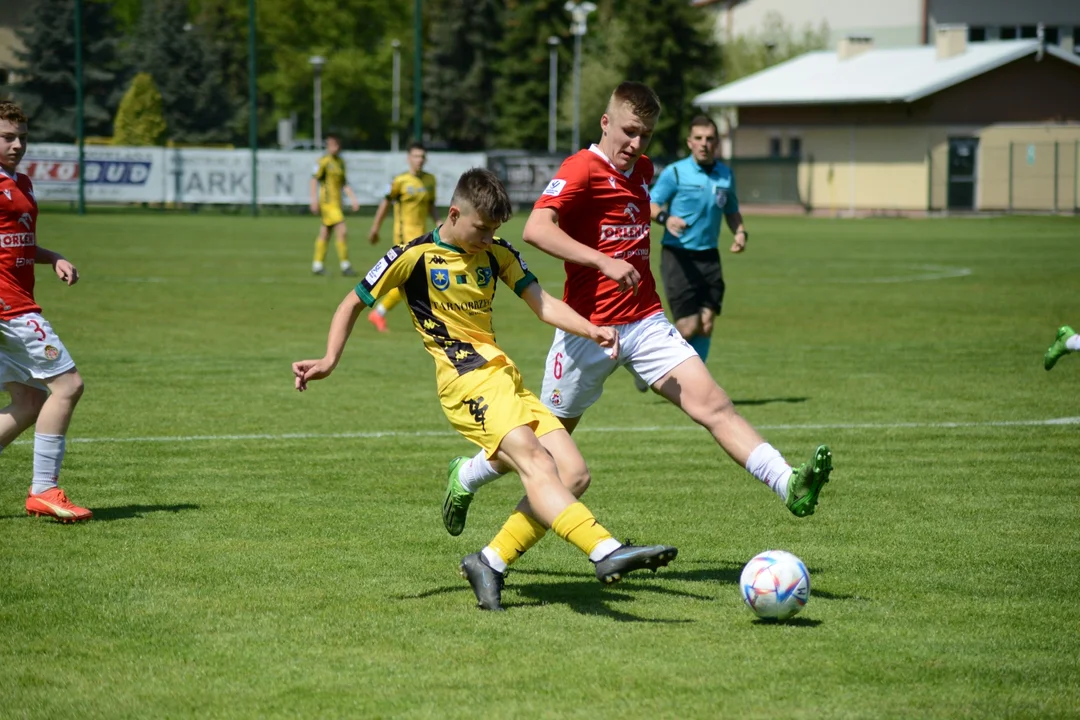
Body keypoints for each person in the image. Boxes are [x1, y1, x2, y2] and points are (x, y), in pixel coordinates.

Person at [441, 83, 832, 542]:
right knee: (543, 452)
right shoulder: (581, 168)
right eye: (629, 131)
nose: (636, 144)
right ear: (605, 122)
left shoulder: (644, 169)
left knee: (714, 405)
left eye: (645, 135)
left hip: (646, 320)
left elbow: (634, 215)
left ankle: (788, 483)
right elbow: (536, 228)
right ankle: (467, 476)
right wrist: (602, 260)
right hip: (588, 331)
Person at [293, 168, 677, 612]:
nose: (488, 237)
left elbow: (544, 303)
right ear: (455, 213)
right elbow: (353, 301)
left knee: (573, 474)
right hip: (464, 380)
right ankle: (604, 550)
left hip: (503, 376)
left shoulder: (497, 253)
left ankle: (488, 562)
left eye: (495, 230)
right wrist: (328, 360)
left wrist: (593, 330)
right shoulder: (413, 256)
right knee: (535, 461)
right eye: (482, 228)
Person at [0, 100, 90, 522]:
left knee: (30, 398)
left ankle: (44, 490)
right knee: (68, 386)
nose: (17, 145)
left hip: (15, 301)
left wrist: (52, 255)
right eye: (6, 137)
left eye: (22, 137)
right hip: (10, 306)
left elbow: (13, 242)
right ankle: (44, 490)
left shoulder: (22, 182)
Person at [649, 114, 747, 367]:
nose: (704, 143)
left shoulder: (725, 175)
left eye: (710, 139)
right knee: (688, 325)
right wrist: (665, 218)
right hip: (678, 255)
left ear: (717, 143)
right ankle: (650, 364)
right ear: (689, 142)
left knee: (705, 323)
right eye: (699, 138)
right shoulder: (676, 173)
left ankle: (695, 377)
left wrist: (739, 232)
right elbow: (649, 203)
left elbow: (731, 209)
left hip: (709, 255)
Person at [365, 142, 439, 332]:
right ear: (408, 158)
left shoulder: (430, 180)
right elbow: (385, 204)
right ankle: (383, 313)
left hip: (423, 236)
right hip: (403, 237)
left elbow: (431, 205)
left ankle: (379, 313)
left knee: (408, 281)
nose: (419, 160)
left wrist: (439, 222)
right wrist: (375, 228)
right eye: (416, 156)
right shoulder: (400, 181)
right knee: (415, 278)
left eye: (422, 156)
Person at [309, 133, 360, 277]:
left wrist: (353, 199)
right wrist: (313, 200)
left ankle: (317, 264)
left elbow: (344, 184)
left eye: (337, 145)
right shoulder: (323, 161)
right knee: (342, 230)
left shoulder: (340, 163)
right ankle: (345, 265)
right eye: (332, 145)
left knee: (325, 232)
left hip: (337, 203)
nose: (334, 148)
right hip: (327, 203)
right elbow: (314, 180)